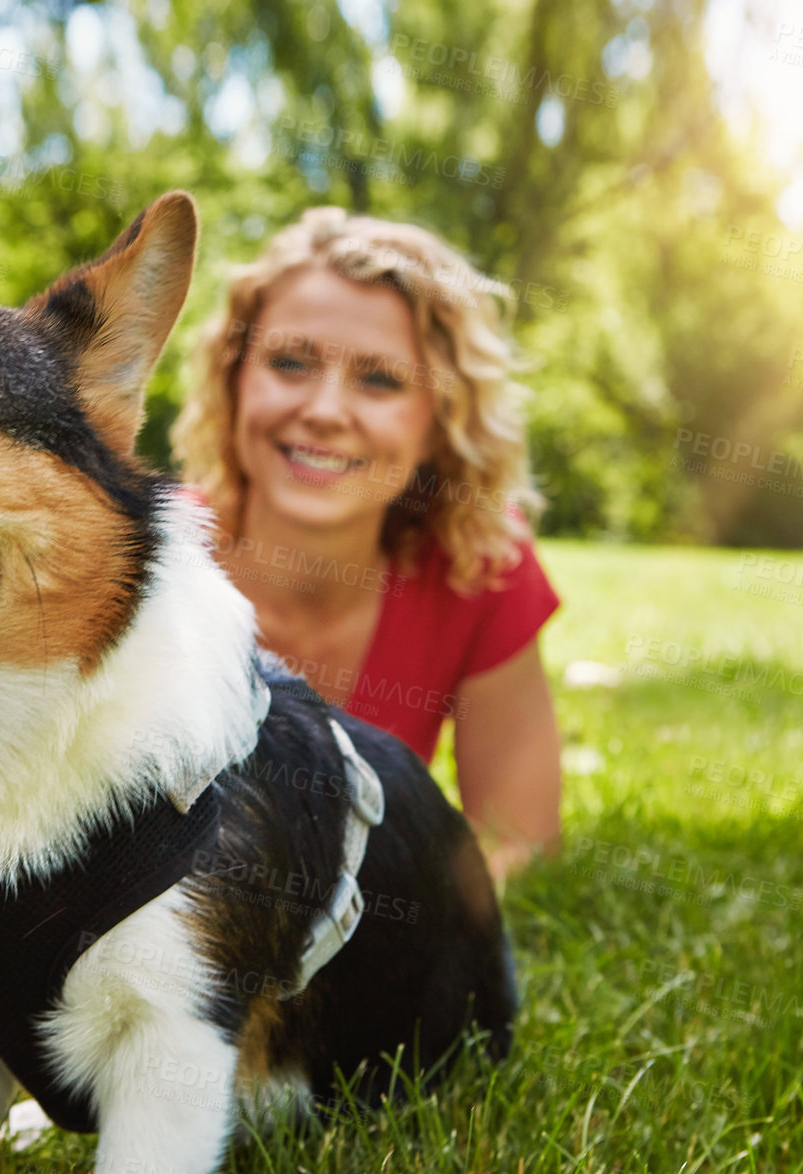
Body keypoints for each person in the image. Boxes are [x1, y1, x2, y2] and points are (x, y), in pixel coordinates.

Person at [171, 206, 563, 885]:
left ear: (441, 420)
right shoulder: (151, 561)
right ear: (233, 381)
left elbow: (516, 838)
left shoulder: (482, 570)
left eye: (380, 379)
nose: (325, 409)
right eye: (289, 363)